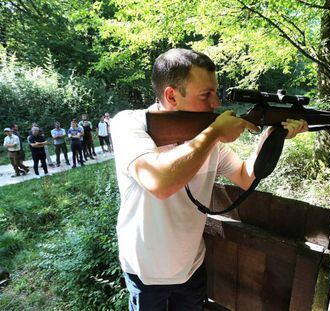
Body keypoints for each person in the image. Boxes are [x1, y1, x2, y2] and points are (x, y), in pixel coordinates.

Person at [111, 48, 308, 311]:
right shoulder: (130, 123)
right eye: (206, 94)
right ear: (171, 95)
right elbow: (158, 182)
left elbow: (245, 177)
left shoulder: (207, 137)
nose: (215, 103)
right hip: (145, 272)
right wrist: (214, 133)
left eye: (215, 92)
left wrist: (273, 135)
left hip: (191, 266)